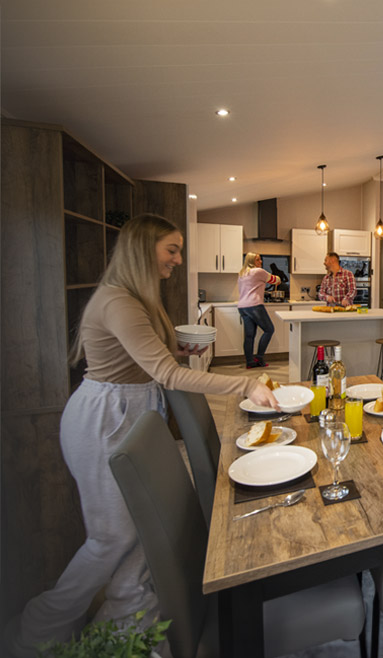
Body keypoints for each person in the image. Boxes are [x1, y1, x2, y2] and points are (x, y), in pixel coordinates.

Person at [6, 215, 278, 658]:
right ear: (142, 248)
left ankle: (124, 621)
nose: (178, 258)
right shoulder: (118, 301)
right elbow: (168, 376)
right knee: (110, 537)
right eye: (171, 249)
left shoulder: (133, 299)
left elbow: (147, 359)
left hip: (128, 409)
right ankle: (38, 629)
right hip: (104, 420)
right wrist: (244, 384)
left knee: (133, 531)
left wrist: (176, 348)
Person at [238, 252, 281, 368]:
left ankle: (250, 362)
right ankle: (259, 357)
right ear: (251, 261)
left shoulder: (242, 273)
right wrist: (278, 278)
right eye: (258, 259)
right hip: (255, 305)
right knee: (269, 330)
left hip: (243, 307)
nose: (261, 262)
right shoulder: (258, 271)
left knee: (249, 336)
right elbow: (275, 280)